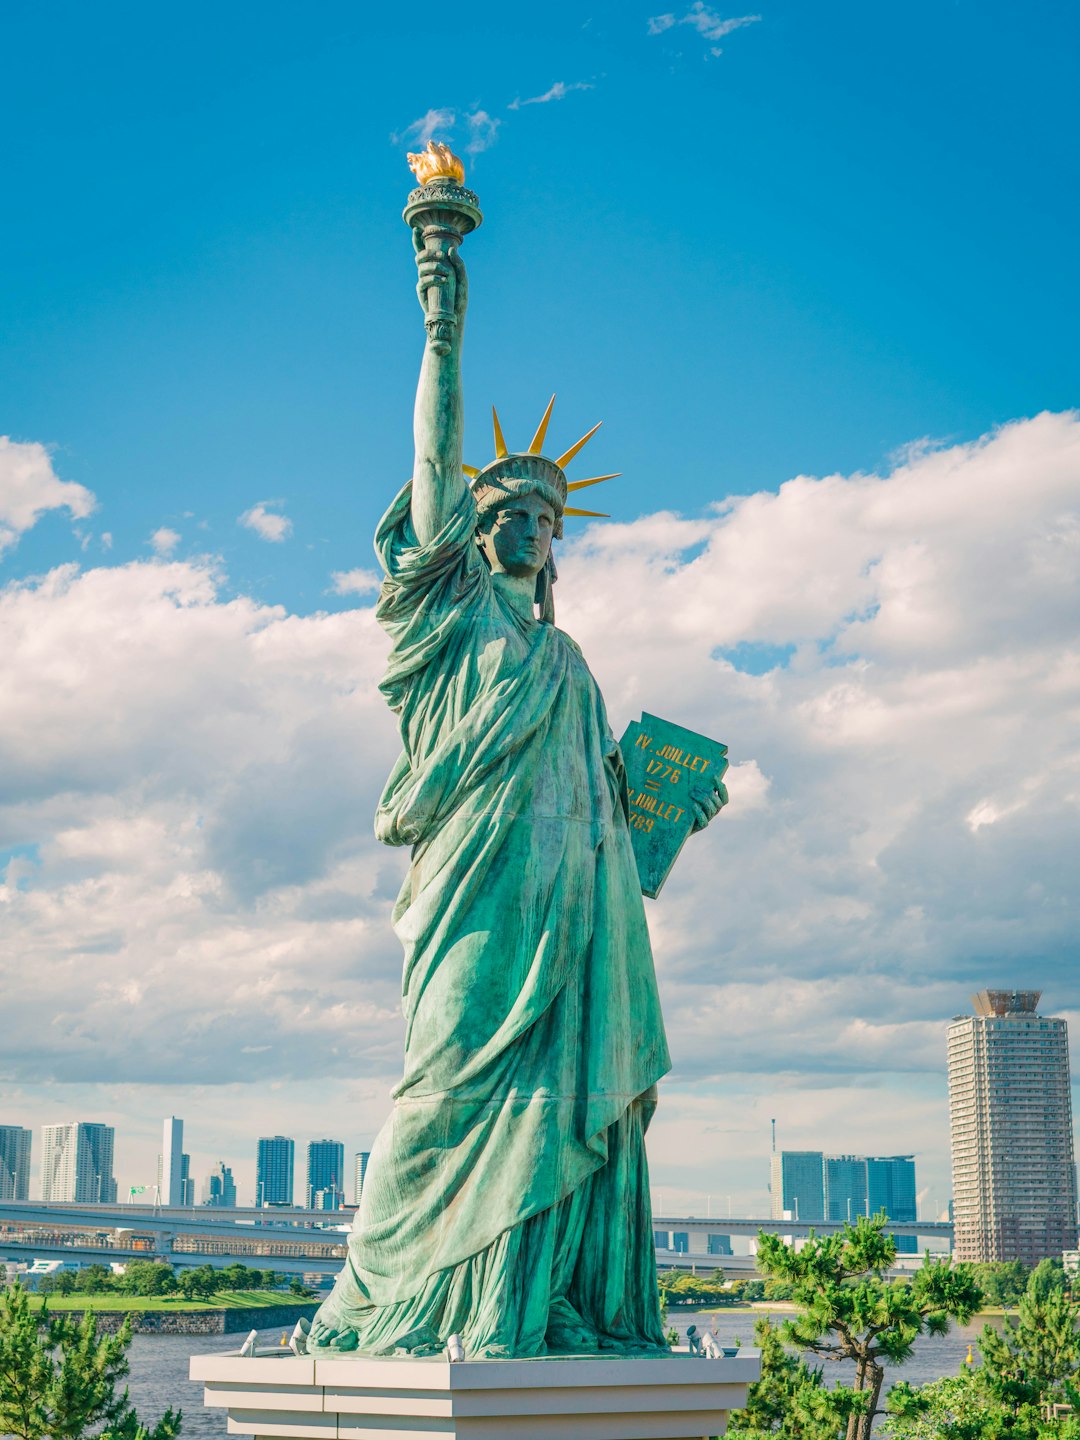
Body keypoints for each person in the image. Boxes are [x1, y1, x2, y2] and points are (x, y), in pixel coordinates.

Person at [306, 235, 727, 1359]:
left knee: (556, 1099)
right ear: (470, 533)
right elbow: (437, 458)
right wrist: (442, 314)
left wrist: (668, 816)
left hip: (574, 914)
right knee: (440, 1085)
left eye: (547, 512)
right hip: (475, 893)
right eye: (507, 507)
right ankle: (389, 1300)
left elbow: (615, 832)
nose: (530, 519)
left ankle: (535, 1302)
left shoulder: (572, 662)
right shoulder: (451, 627)